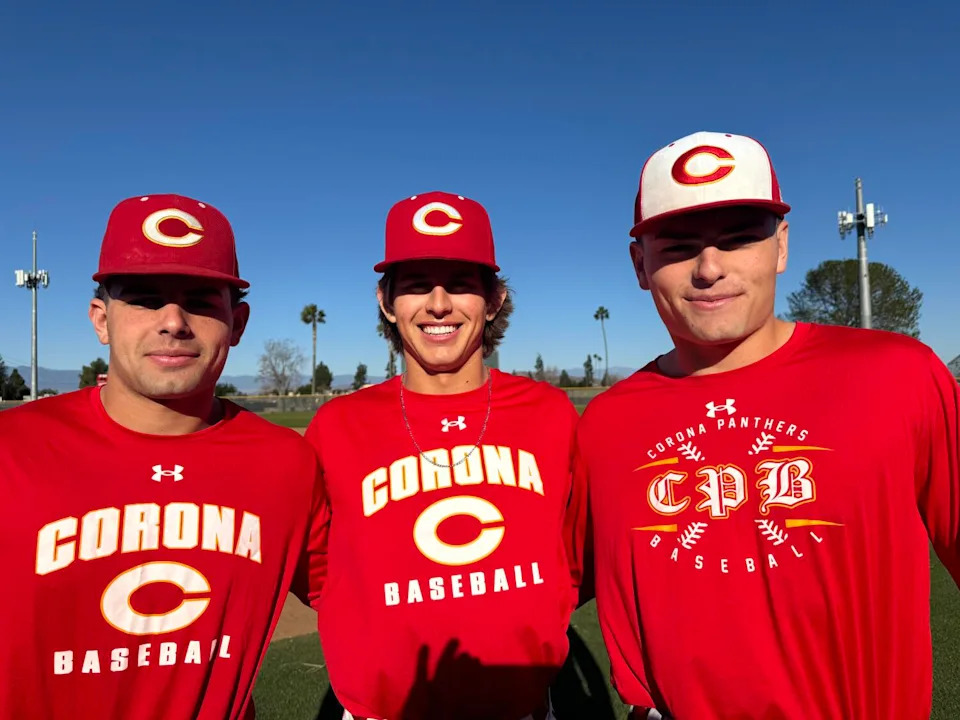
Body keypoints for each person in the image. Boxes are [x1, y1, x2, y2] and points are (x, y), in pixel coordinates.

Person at [576, 131, 960, 719]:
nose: (709, 268)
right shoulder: (603, 425)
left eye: (738, 239)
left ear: (780, 246)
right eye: (677, 247)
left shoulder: (899, 374)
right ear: (640, 265)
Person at [0, 194, 327, 719]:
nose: (173, 321)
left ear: (238, 323)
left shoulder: (285, 462)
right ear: (101, 320)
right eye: (145, 299)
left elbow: (369, 595)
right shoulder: (12, 447)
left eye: (201, 301)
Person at [303, 191, 585, 720]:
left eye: (459, 283)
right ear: (387, 302)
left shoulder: (549, 413)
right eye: (415, 284)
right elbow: (316, 570)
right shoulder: (337, 426)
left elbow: (575, 552)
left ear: (493, 300)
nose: (438, 304)